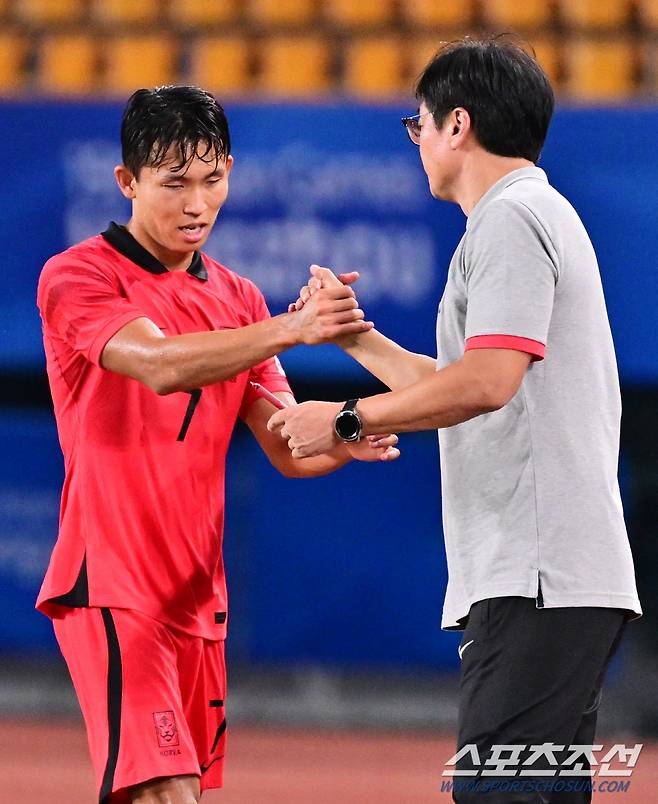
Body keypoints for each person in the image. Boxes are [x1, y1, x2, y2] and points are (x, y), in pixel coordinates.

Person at [268, 37, 642, 802]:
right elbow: (465, 383)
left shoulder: (512, 219)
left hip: (537, 577)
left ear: (458, 124)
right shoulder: (529, 213)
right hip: (555, 578)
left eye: (421, 124)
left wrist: (343, 419)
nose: (418, 142)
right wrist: (354, 338)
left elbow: (487, 383)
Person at [36, 85, 399, 804]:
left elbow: (289, 446)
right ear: (127, 181)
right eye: (174, 183)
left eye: (211, 180)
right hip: (112, 584)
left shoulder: (238, 300)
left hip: (200, 602)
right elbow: (159, 364)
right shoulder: (78, 275)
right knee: (166, 791)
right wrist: (293, 328)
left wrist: (349, 429)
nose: (196, 204)